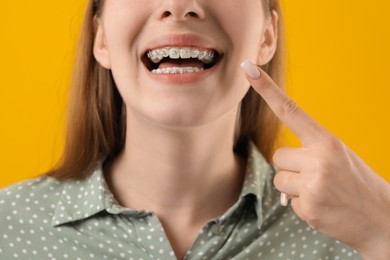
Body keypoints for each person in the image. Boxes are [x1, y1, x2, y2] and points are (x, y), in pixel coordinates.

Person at [1, 0, 389, 259]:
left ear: (267, 36)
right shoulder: (8, 229)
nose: (178, 6)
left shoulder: (357, 235)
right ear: (101, 38)